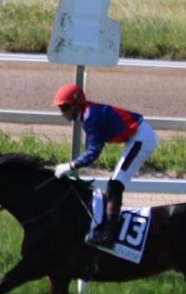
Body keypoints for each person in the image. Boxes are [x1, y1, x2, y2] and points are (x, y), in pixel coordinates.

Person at [51, 83, 158, 247]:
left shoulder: (91, 117)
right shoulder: (87, 114)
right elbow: (90, 149)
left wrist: (70, 166)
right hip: (137, 137)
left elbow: (93, 153)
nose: (62, 113)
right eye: (61, 108)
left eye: (65, 108)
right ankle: (107, 231)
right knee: (114, 183)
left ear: (76, 104)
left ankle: (109, 235)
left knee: (115, 184)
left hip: (141, 137)